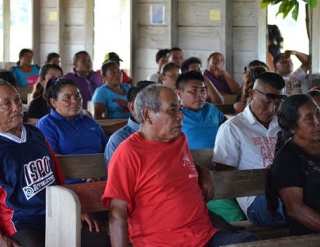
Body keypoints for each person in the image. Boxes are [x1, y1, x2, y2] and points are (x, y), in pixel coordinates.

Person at [102, 85, 260, 246]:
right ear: (147, 114)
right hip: (162, 242)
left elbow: (177, 166)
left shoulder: (179, 140)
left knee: (251, 243)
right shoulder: (128, 153)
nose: (181, 116)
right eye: (172, 110)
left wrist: (203, 171)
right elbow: (117, 214)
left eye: (180, 109)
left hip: (203, 236)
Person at [0, 79, 106, 247]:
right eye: (6, 104)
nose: (16, 108)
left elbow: (56, 177)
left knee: (98, 238)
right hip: (19, 222)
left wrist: (76, 211)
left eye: (17, 100)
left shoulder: (35, 133)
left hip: (55, 212)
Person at [213, 72, 287, 227]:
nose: (272, 109)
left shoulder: (282, 125)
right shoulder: (233, 128)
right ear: (252, 94)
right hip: (257, 199)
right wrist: (263, 177)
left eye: (278, 102)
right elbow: (224, 175)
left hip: (289, 191)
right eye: (266, 103)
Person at [175, 71, 245, 223]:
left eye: (202, 90)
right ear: (178, 93)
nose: (200, 94)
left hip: (227, 170)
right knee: (236, 217)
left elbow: (229, 128)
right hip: (200, 179)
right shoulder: (174, 116)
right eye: (194, 90)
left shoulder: (211, 109)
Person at [267, 94, 320, 236]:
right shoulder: (287, 159)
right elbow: (295, 209)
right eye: (309, 118)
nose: (317, 122)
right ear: (292, 127)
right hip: (311, 234)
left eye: (318, 114)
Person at [37, 78, 108, 183]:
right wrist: (86, 173)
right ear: (54, 102)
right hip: (69, 182)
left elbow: (108, 150)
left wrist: (98, 172)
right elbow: (52, 158)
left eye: (77, 96)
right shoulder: (47, 124)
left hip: (101, 177)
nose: (75, 101)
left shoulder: (90, 122)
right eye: (67, 98)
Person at [104, 80, 155, 166]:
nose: (157, 108)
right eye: (150, 103)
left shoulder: (166, 133)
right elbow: (118, 177)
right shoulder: (119, 140)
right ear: (132, 107)